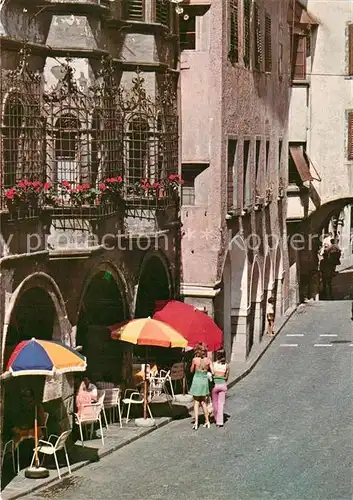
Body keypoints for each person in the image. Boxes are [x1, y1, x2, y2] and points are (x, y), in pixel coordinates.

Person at [189, 342, 211, 430]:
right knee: (203, 402)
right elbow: (212, 371)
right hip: (204, 380)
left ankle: (196, 422)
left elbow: (191, 370)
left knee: (196, 402)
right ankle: (207, 421)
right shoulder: (208, 360)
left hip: (197, 380)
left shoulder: (195, 360)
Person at [211, 349, 229, 428]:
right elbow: (226, 377)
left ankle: (215, 417)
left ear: (217, 355)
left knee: (215, 403)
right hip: (223, 385)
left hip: (215, 385)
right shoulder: (227, 365)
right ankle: (220, 422)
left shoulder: (214, 364)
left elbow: (212, 374)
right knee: (221, 403)